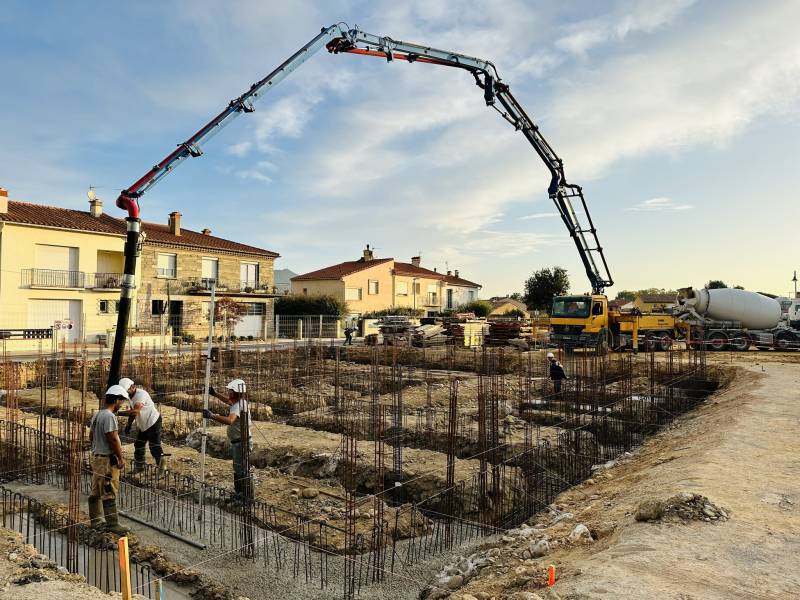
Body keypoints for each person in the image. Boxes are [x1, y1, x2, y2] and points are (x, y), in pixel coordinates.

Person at [203, 379, 253, 505]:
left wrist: (212, 416)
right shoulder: (240, 402)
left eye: (230, 391)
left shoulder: (238, 406)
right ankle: (239, 495)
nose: (228, 392)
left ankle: (245, 498)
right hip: (239, 442)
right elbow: (228, 401)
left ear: (235, 392)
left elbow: (230, 420)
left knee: (242, 470)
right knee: (238, 469)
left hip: (242, 442)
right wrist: (215, 394)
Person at [88, 385, 128, 534]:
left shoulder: (97, 414)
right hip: (106, 460)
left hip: (97, 457)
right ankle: (112, 524)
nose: (122, 404)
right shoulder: (110, 416)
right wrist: (120, 457)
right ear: (117, 399)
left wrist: (97, 445)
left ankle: (96, 520)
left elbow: (91, 436)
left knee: (96, 490)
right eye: (121, 401)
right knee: (108, 489)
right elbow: (113, 438)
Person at [118, 377, 163, 473]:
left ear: (133, 386)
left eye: (126, 391)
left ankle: (162, 468)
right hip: (144, 425)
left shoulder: (141, 394)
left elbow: (135, 411)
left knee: (154, 446)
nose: (126, 394)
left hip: (153, 422)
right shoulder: (130, 396)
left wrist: (118, 413)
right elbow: (133, 412)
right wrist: (128, 425)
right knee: (139, 445)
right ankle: (139, 467)